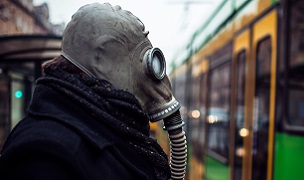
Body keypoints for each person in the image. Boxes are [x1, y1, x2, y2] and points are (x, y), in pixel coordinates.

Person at [0, 3, 186, 180]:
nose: (152, 77)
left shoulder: (113, 126)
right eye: (143, 62)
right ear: (102, 59)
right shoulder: (44, 155)